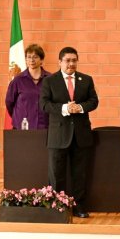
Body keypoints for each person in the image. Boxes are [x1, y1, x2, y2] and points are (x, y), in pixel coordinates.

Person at [39, 46, 99, 218]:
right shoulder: (50, 81)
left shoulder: (86, 80)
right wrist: (64, 108)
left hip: (81, 136)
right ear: (60, 62)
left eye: (74, 60)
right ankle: (58, 207)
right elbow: (43, 104)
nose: (71, 63)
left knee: (79, 174)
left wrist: (79, 107)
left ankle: (79, 206)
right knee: (56, 174)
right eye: (67, 60)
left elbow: (94, 101)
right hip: (58, 136)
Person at [5, 44, 51, 130]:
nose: (31, 60)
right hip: (22, 126)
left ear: (41, 60)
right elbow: (9, 103)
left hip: (45, 127)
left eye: (35, 57)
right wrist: (20, 115)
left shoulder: (51, 79)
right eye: (29, 57)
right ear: (25, 60)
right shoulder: (18, 80)